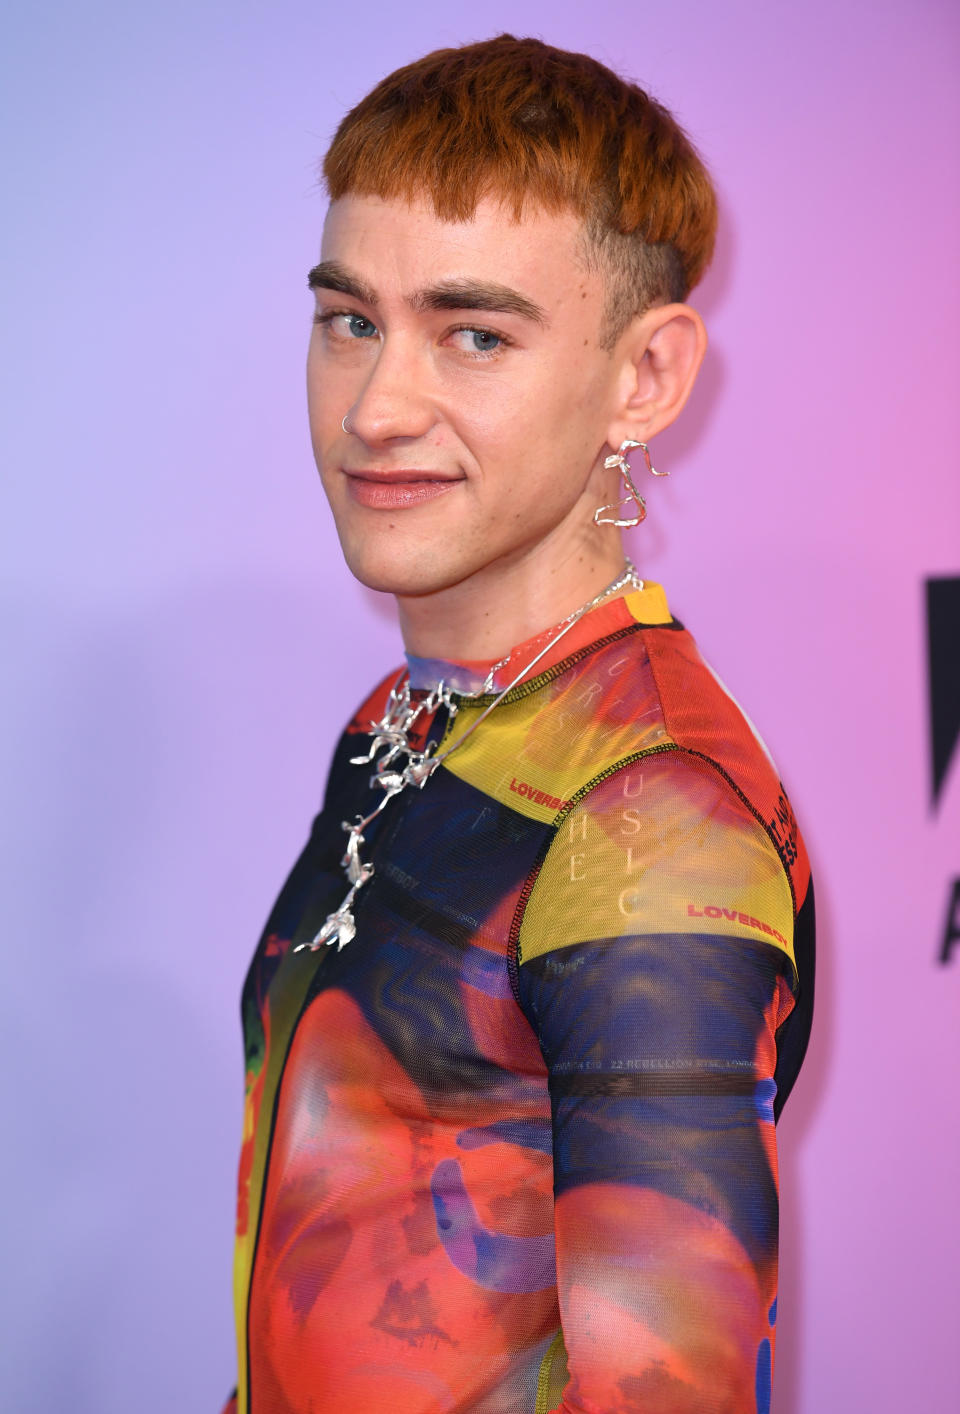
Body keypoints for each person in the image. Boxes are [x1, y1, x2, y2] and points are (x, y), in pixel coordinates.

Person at [222, 34, 815, 1414]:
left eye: (473, 333)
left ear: (645, 379)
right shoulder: (411, 713)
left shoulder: (647, 821)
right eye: (350, 319)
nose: (376, 407)